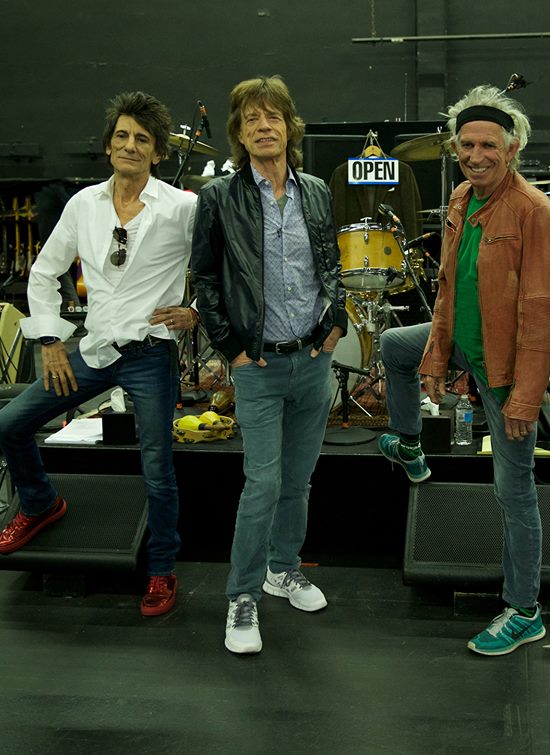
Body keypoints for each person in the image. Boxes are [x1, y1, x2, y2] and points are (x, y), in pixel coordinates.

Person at [0, 91, 198, 618]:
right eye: (122, 136)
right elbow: (44, 273)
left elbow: (220, 267)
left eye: (142, 139)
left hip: (150, 354)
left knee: (158, 468)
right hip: (95, 348)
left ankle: (162, 568)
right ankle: (41, 504)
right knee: (10, 423)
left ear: (158, 153)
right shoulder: (83, 204)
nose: (130, 145)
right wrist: (49, 341)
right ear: (108, 145)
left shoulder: (183, 207)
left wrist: (195, 310)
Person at [378, 85, 550, 656]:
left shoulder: (532, 210)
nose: (476, 155)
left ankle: (524, 609)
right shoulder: (461, 197)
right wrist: (437, 353)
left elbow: (542, 314)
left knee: (514, 490)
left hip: (505, 365)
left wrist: (525, 398)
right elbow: (448, 288)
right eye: (466, 145)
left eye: (488, 145)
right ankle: (411, 445)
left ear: (512, 149)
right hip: (463, 341)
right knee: (394, 345)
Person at [190, 75, 346, 655]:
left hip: (311, 359)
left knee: (299, 480)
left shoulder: (316, 191)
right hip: (256, 364)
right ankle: (242, 594)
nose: (263, 126)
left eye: (272, 116)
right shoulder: (218, 197)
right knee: (263, 482)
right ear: (238, 132)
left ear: (289, 127)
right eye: (251, 118)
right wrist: (229, 346)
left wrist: (336, 321)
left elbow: (330, 263)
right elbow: (205, 277)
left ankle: (284, 569)